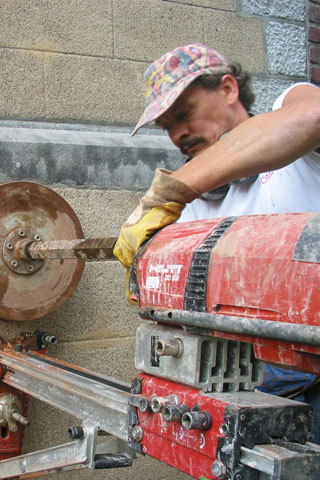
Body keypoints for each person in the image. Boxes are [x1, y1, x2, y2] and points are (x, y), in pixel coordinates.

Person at [113, 43, 320, 441]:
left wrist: (172, 191)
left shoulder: (296, 131)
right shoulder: (192, 210)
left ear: (228, 89)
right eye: (167, 127)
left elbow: (312, 116)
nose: (178, 135)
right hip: (252, 398)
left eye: (184, 114)